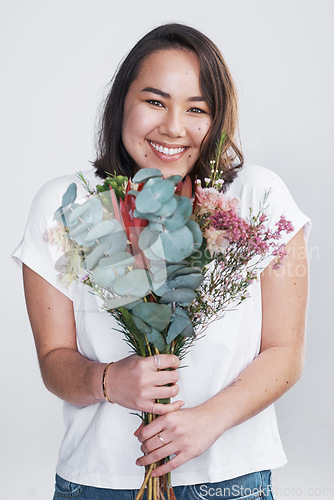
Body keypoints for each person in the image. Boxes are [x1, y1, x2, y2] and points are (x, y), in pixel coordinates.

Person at [13, 23, 310, 500]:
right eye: (155, 101)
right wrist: (109, 381)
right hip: (99, 483)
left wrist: (206, 423)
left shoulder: (255, 198)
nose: (174, 127)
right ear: (121, 103)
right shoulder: (66, 206)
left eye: (197, 109)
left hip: (230, 482)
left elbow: (285, 354)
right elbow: (54, 362)